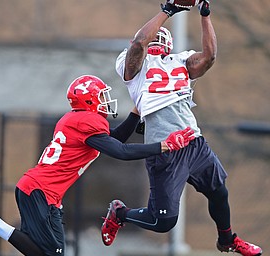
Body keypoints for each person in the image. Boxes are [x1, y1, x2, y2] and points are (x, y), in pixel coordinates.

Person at [0, 75, 195, 256]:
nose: (105, 101)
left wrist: (135, 111)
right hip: (39, 191)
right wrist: (162, 145)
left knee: (55, 252)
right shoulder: (85, 122)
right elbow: (120, 151)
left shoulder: (78, 120)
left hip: (45, 193)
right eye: (101, 96)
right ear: (88, 99)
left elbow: (117, 140)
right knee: (49, 254)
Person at [100, 1, 263, 256]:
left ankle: (227, 239)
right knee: (163, 221)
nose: (156, 40)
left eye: (161, 38)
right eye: (155, 37)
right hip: (165, 147)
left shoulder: (181, 60)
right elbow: (139, 43)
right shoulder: (132, 66)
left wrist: (205, 15)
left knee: (219, 190)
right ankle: (120, 214)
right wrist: (168, 11)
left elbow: (209, 56)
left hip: (192, 140)